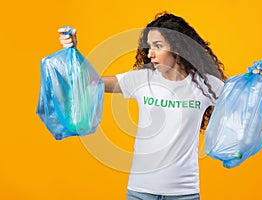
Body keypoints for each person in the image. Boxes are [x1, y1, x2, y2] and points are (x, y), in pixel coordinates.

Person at [59, 12, 226, 200]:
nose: (150, 54)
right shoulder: (141, 79)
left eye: (158, 46)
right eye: (149, 47)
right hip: (140, 192)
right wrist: (73, 52)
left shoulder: (206, 85)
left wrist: (253, 82)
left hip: (183, 193)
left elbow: (241, 109)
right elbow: (90, 83)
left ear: (179, 48)